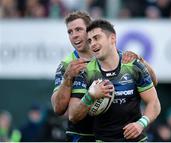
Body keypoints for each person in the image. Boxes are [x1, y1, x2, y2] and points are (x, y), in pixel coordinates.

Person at [51, 11, 158, 142]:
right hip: (82, 134)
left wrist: (142, 62)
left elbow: (153, 84)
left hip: (120, 134)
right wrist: (68, 79)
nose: (74, 35)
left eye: (78, 29)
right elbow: (58, 109)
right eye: (70, 32)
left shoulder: (124, 59)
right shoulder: (68, 66)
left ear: (90, 29)